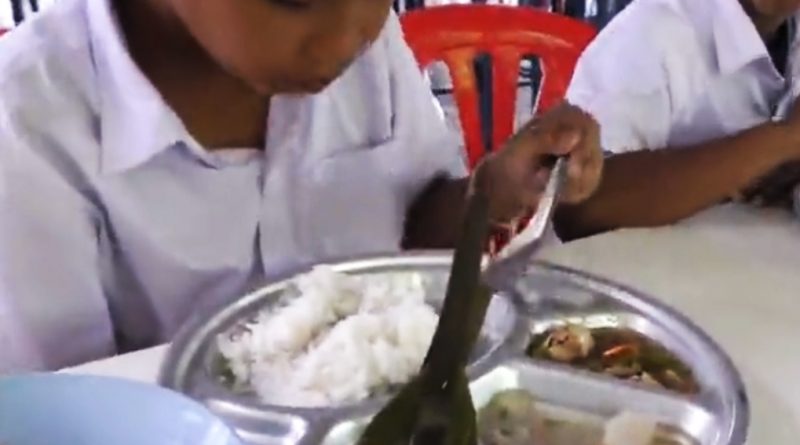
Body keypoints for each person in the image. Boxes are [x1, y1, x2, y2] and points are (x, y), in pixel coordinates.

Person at [0, 0, 602, 372]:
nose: (347, 40)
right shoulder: (28, 124)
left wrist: (491, 196)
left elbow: (413, 225)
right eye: (291, 0)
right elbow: (70, 409)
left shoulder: (360, 37)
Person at [556, 0, 800, 240]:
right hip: (635, 269)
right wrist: (780, 140)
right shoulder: (650, 32)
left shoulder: (789, 31)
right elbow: (578, 206)